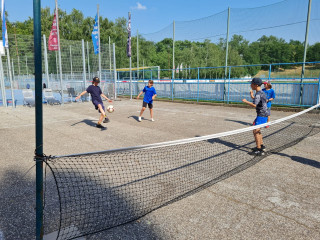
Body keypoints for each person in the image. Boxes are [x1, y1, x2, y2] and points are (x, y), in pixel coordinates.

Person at [242, 78, 268, 156]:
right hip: (264, 114)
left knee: (256, 131)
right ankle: (261, 145)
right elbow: (259, 101)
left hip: (261, 115)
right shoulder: (261, 92)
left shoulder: (258, 94)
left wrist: (246, 101)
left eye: (251, 84)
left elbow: (254, 105)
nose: (250, 85)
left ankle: (259, 149)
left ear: (255, 85)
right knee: (257, 130)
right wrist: (252, 96)